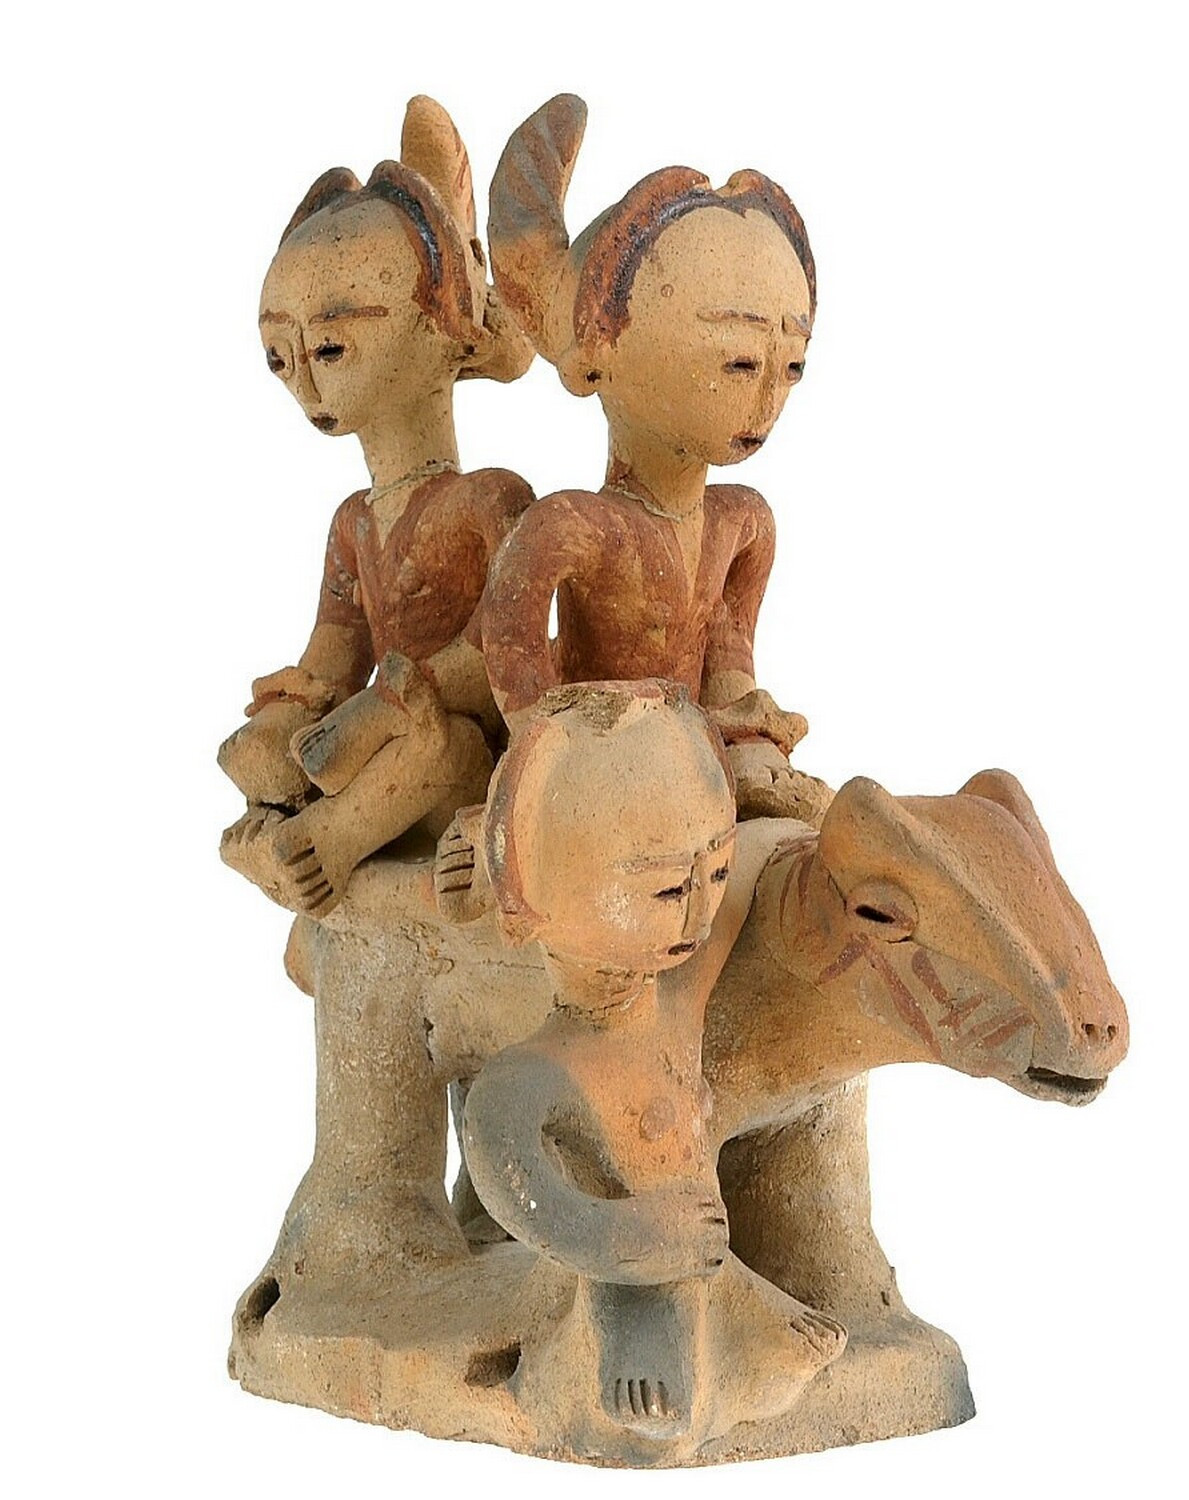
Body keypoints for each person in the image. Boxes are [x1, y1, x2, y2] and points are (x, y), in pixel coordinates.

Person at [460, 681, 844, 1443]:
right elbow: (508, 1170)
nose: (698, 912)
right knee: (662, 1330)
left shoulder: (676, 994)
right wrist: (619, 1239)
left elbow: (752, 867)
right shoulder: (540, 1069)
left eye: (712, 874)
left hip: (698, 1240)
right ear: (525, 900)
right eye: (667, 887)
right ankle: (639, 1329)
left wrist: (797, 837)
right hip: (634, 1258)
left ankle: (734, 1304)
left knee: (721, 1293)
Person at [219, 97, 534, 915]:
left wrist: (394, 696)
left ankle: (321, 843)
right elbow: (330, 658)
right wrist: (288, 717)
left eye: (331, 346)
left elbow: (510, 652)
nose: (306, 380)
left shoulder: (490, 500)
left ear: (445, 329)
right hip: (372, 741)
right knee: (267, 752)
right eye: (280, 355)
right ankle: (281, 831)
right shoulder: (353, 524)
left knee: (437, 746)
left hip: (464, 755)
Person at [479, 94, 830, 825]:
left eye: (791, 363)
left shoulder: (745, 523)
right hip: (599, 784)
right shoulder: (569, 527)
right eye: (738, 360)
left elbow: (729, 663)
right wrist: (566, 764)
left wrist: (743, 725)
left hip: (695, 767)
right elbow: (517, 670)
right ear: (592, 359)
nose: (767, 396)